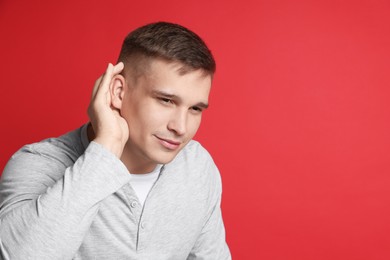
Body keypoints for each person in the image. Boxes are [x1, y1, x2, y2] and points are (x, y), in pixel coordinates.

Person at [0, 22, 231, 259]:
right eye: (166, 100)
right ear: (119, 92)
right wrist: (107, 147)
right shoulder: (38, 163)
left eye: (195, 108)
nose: (181, 128)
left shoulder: (196, 165)